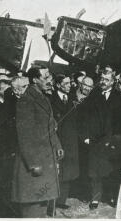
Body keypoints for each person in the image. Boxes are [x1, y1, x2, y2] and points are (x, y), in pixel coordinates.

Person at [12, 67, 64, 218]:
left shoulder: (43, 98)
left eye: (50, 77)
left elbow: (50, 126)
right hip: (34, 162)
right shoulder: (26, 100)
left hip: (46, 159)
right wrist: (33, 163)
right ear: (34, 79)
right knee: (32, 205)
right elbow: (24, 135)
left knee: (43, 202)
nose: (50, 81)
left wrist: (58, 146)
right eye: (46, 77)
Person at [84, 68, 121, 209]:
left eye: (106, 79)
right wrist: (86, 136)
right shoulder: (93, 95)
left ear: (113, 81)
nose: (103, 82)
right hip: (95, 139)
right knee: (95, 170)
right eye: (101, 79)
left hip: (113, 139)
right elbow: (85, 117)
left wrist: (118, 139)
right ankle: (95, 197)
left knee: (113, 169)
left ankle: (113, 196)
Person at [49, 74, 79, 209]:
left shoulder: (73, 98)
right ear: (58, 85)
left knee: (68, 170)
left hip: (70, 139)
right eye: (65, 84)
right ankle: (51, 201)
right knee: (56, 169)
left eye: (69, 83)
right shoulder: (50, 98)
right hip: (57, 138)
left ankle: (61, 200)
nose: (69, 86)